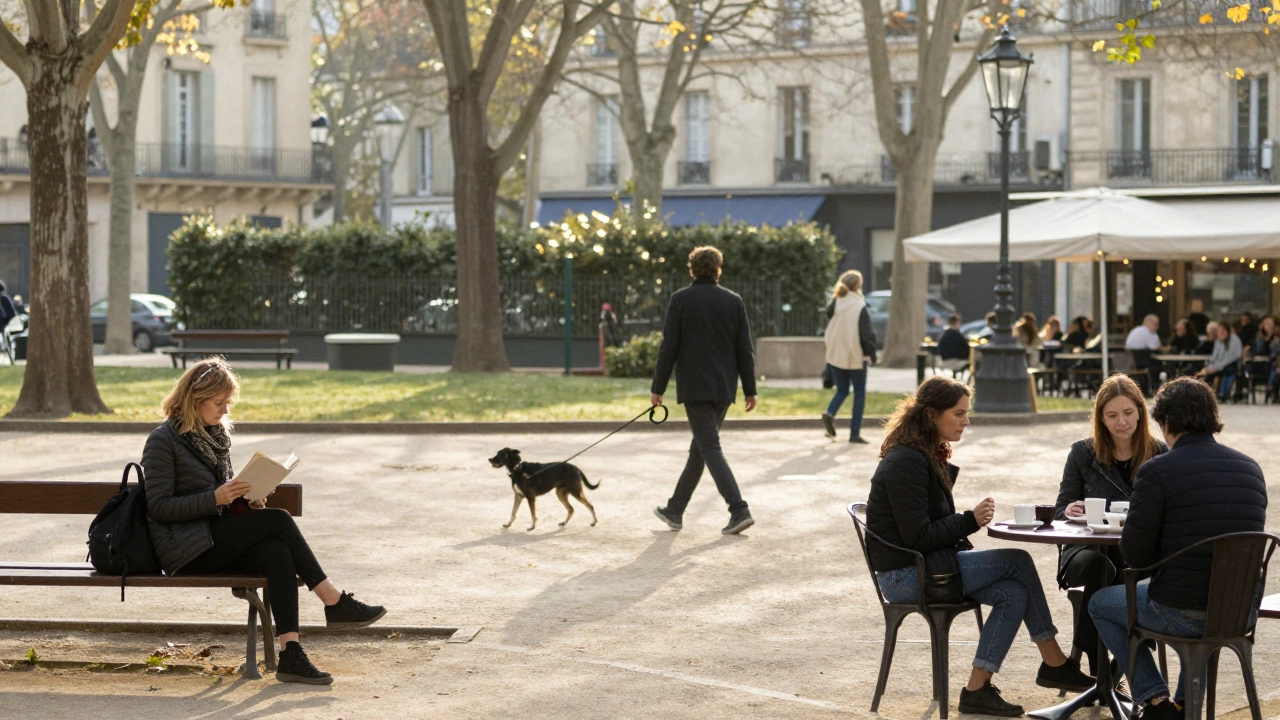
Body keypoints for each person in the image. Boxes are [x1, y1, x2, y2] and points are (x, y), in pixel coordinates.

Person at [142, 358, 387, 685]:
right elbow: (158, 507)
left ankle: (291, 655)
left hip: (212, 538)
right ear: (194, 399)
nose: (225, 410)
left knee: (278, 553)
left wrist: (246, 499)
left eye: (228, 402)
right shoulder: (162, 441)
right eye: (218, 403)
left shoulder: (214, 436)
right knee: (279, 521)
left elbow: (222, 502)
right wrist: (215, 498)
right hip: (184, 550)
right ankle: (333, 601)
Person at [866, 376, 1094, 717]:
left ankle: (977, 688)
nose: (966, 422)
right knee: (1018, 559)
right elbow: (918, 536)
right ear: (931, 415)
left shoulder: (923, 455)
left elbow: (927, 528)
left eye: (966, 413)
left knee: (1013, 593)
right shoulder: (906, 461)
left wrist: (964, 522)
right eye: (958, 414)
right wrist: (969, 520)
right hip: (905, 576)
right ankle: (1054, 661)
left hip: (927, 566)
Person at [1088, 377, 1267, 720]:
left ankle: (1156, 702)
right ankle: (1185, 705)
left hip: (1181, 612)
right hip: (1238, 611)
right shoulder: (1250, 468)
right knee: (1204, 589)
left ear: (1165, 421)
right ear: (1212, 417)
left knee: (1101, 603)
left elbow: (1135, 557)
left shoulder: (1157, 471)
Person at [1054, 375, 1167, 675]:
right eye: (1112, 415)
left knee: (1125, 562)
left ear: (1140, 413)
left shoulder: (1159, 454)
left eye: (1128, 413)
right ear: (1101, 418)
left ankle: (1105, 675)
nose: (1121, 422)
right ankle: (1114, 669)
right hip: (1086, 551)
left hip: (1139, 554)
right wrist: (1070, 509)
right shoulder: (1082, 453)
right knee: (1104, 565)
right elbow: (1059, 510)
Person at [652, 246, 756, 536]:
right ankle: (675, 510)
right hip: (724, 387)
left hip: (695, 388)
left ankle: (739, 509)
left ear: (692, 269)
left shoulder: (681, 300)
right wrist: (750, 389)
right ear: (718, 269)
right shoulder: (733, 301)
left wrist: (657, 387)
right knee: (700, 449)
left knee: (709, 447)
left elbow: (668, 347)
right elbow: (744, 350)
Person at [821, 270, 877, 443]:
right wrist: (871, 354)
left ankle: (830, 413)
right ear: (858, 286)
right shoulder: (859, 305)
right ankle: (854, 433)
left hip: (836, 354)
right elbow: (866, 334)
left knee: (842, 390)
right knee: (859, 394)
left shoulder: (836, 304)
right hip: (855, 355)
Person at [1196, 322, 1242, 401]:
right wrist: (1209, 367)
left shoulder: (1234, 339)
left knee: (1228, 371)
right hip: (1218, 365)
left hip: (1231, 365)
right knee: (1205, 375)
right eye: (1219, 331)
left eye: (1223, 330)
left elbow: (1231, 358)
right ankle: (1205, 395)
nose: (1221, 333)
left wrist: (1216, 368)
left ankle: (1224, 394)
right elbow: (1215, 357)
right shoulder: (1218, 341)